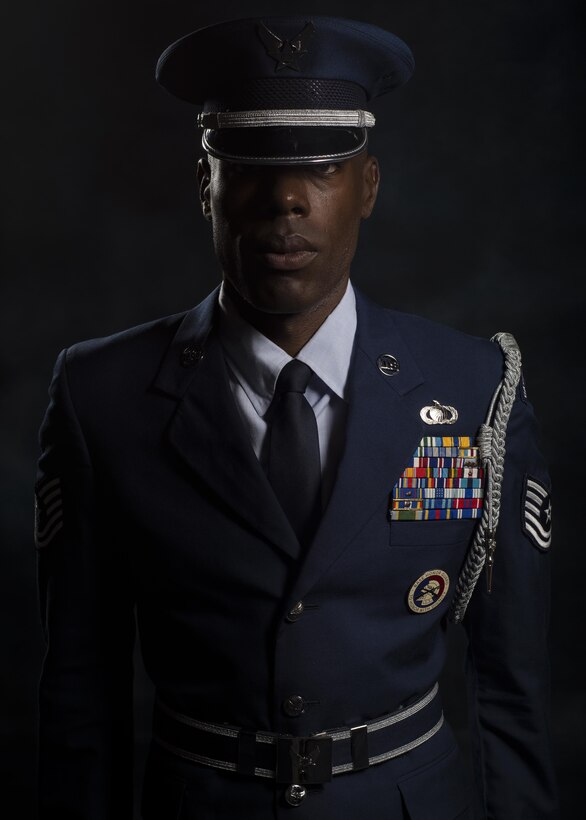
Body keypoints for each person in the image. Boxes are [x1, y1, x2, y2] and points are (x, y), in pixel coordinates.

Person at [35, 15, 558, 819]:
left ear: (370, 187)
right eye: (246, 165)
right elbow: (81, 692)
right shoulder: (101, 395)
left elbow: (513, 690)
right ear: (205, 186)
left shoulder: (474, 387)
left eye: (320, 166)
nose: (284, 198)